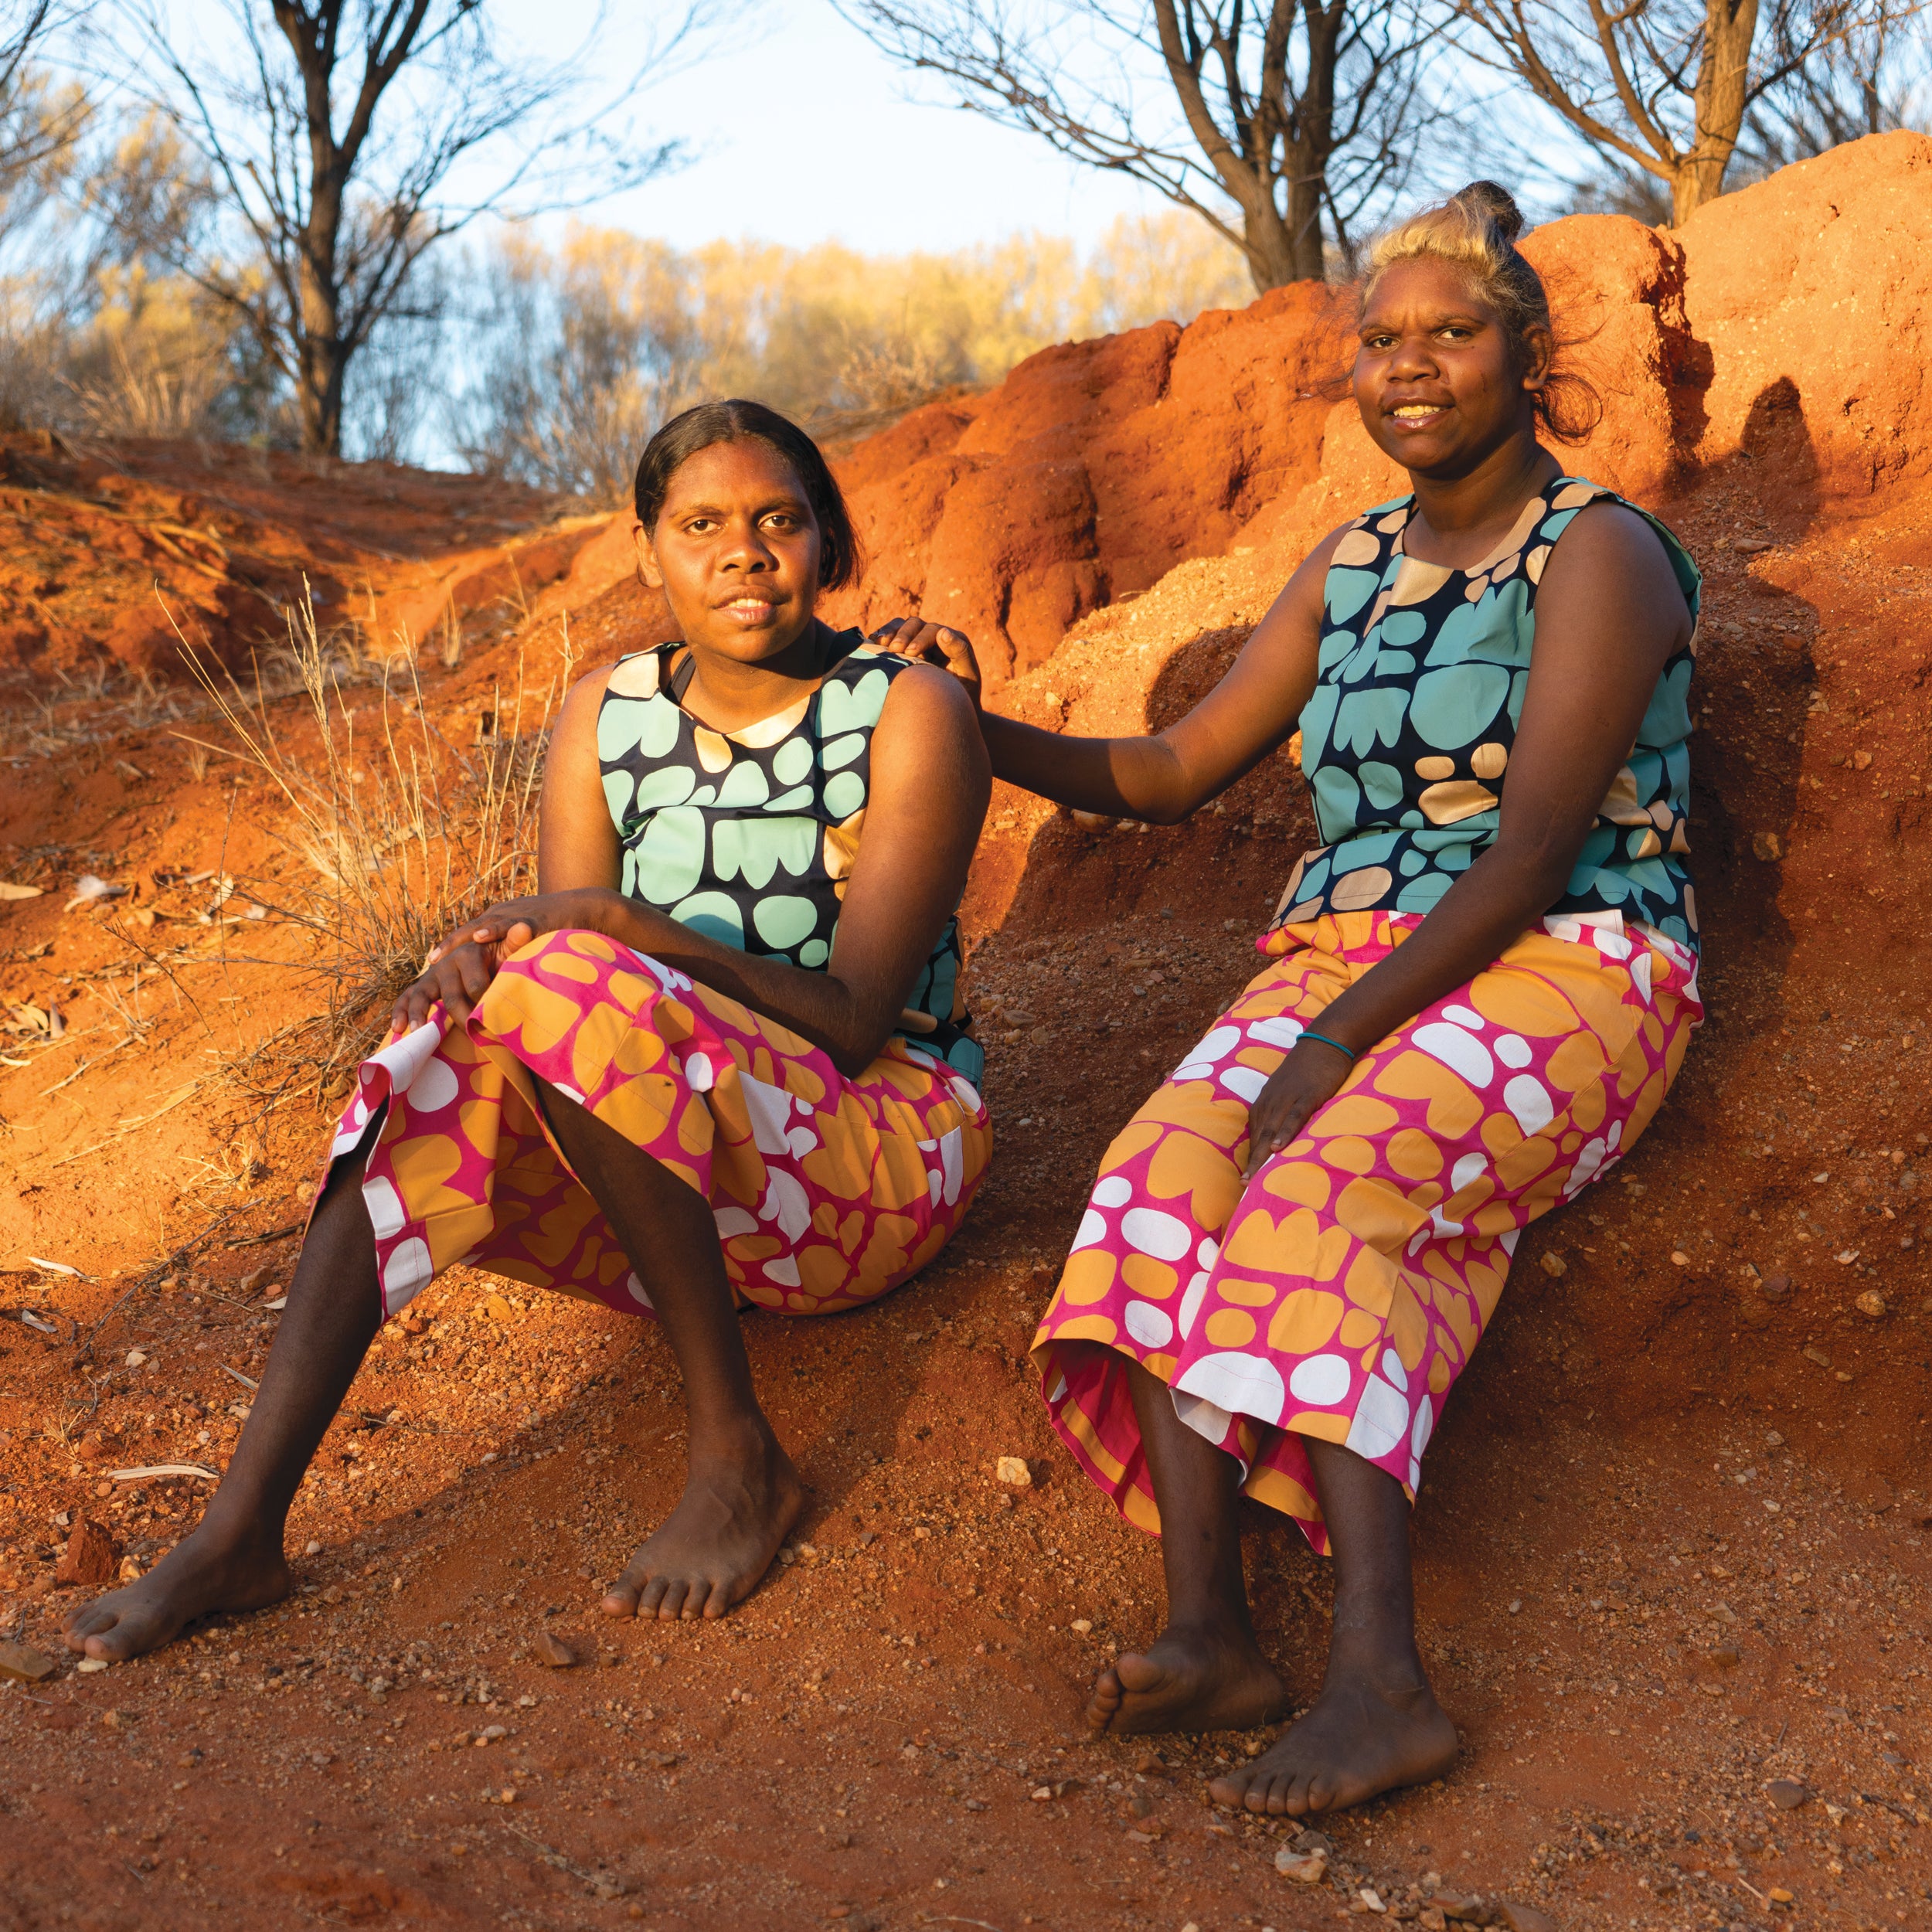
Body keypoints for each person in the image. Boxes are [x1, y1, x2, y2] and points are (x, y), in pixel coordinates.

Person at [877, 182, 1702, 1817]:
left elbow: (1533, 846)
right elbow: (1176, 766)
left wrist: (1331, 1041)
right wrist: (963, 721)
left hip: (1576, 956)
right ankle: (1209, 1634)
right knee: (1153, 1184)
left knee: (1322, 1178)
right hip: (1346, 960)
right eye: (1380, 340)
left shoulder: (1595, 551)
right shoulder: (1350, 565)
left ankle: (1383, 1681)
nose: (1408, 365)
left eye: (1448, 334)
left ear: (1524, 353)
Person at [66, 400, 992, 1660]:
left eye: (781, 520)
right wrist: (475, 980)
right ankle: (241, 1528)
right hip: (692, 1191)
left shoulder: (907, 712)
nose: (744, 552)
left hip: (875, 1158)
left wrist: (616, 923)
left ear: (829, 541)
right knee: (447, 1045)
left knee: (564, 973)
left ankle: (738, 1454)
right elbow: (561, 980)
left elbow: (851, 1023)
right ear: (648, 545)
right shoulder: (605, 716)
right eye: (702, 525)